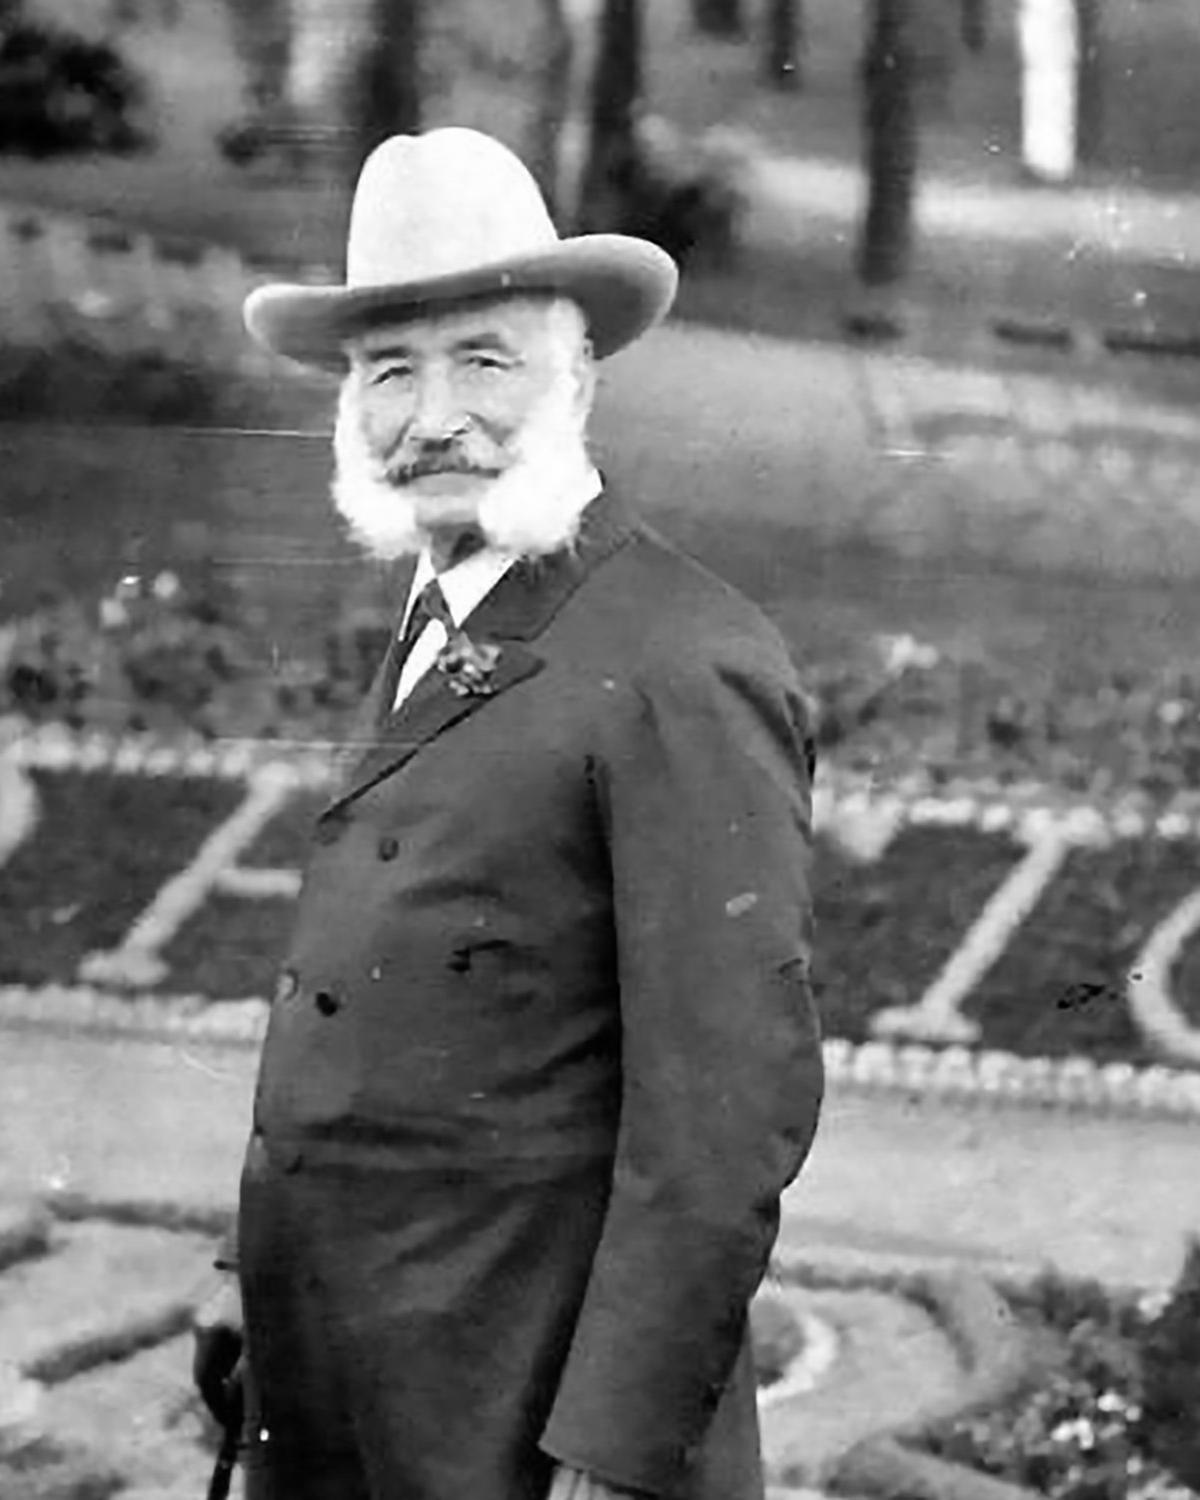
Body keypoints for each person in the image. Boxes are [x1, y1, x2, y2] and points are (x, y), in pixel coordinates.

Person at [192, 126, 824, 1500]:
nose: (432, 419)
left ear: (579, 373)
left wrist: (620, 1452)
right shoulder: (439, 619)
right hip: (345, 1384)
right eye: (388, 372)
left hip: (524, 1422)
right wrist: (252, 1278)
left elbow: (725, 1118)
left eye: (483, 359)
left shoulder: (681, 658)